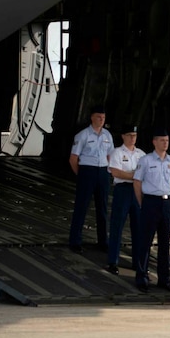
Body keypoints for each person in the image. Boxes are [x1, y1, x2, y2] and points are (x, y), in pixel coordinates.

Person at [132, 129, 170, 293]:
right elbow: (137, 182)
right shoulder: (145, 160)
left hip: (165, 202)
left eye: (167, 140)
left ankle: (164, 279)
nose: (165, 143)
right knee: (145, 242)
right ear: (154, 142)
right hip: (150, 201)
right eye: (162, 140)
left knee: (164, 243)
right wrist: (141, 203)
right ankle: (142, 277)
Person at [68, 105, 114, 253]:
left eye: (103, 117)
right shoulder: (83, 135)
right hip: (87, 171)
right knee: (81, 207)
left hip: (102, 172)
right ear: (92, 117)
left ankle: (103, 241)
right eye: (99, 117)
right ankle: (75, 241)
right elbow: (73, 159)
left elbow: (110, 155)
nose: (101, 120)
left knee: (102, 209)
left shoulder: (107, 135)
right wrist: (81, 175)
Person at [105, 124, 145, 275]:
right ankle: (112, 261)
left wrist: (134, 176)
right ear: (123, 136)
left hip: (137, 191)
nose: (132, 138)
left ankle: (137, 261)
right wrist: (135, 175)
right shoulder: (117, 152)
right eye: (129, 135)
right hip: (123, 190)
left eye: (134, 135)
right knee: (117, 226)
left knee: (138, 227)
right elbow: (115, 172)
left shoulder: (141, 154)